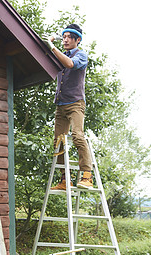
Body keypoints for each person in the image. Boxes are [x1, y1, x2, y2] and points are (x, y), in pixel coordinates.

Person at [45, 24, 93, 190]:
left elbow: (70, 64)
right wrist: (46, 44)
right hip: (60, 105)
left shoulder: (81, 56)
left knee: (78, 136)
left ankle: (87, 175)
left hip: (75, 103)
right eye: (63, 37)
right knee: (58, 143)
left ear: (77, 40)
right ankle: (65, 180)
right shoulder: (60, 55)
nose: (65, 40)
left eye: (68, 37)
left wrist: (51, 46)